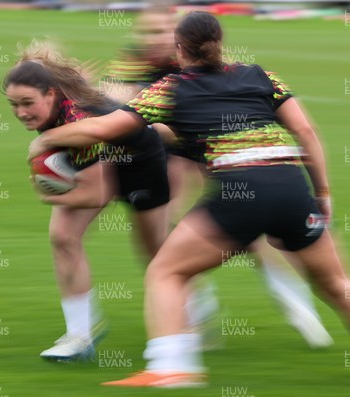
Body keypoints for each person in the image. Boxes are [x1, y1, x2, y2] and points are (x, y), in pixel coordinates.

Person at [28, 11, 350, 387]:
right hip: (291, 188)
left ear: (179, 50)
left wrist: (47, 139)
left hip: (241, 192)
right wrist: (322, 192)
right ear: (220, 43)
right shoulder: (260, 76)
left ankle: (172, 366)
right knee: (339, 283)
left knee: (166, 272)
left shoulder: (172, 87)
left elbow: (107, 129)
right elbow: (307, 133)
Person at [104, 6, 333, 349]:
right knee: (162, 231)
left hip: (212, 140)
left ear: (178, 37)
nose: (153, 40)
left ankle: (294, 300)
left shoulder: (204, 63)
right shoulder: (134, 62)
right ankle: (194, 312)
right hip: (170, 142)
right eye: (146, 33)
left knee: (248, 228)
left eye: (161, 32)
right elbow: (121, 109)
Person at [3, 40, 170, 362]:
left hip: (141, 161)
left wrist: (42, 194)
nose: (21, 113)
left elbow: (94, 194)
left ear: (51, 94)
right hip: (100, 157)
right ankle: (80, 336)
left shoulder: (75, 119)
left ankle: (191, 311)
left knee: (157, 254)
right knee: (63, 237)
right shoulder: (54, 111)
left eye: (27, 103)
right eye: (14, 105)